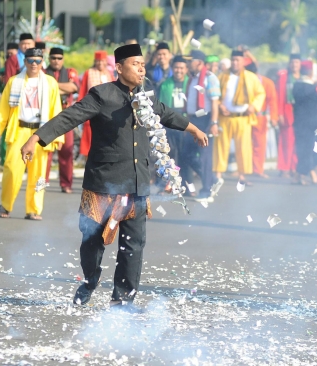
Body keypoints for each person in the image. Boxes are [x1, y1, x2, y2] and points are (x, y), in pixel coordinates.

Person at [20, 43, 208, 308]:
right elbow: (69, 117)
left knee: (133, 246)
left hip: (136, 182)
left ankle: (123, 301)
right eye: (135, 64)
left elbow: (165, 114)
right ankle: (90, 280)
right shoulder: (101, 95)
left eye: (143, 64)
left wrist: (193, 129)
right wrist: (37, 137)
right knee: (92, 242)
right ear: (119, 68)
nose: (141, 69)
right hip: (103, 183)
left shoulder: (147, 96)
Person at [0, 48, 63, 220]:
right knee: (12, 170)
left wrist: (57, 136)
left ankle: (34, 209)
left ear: (42, 62)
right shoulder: (14, 82)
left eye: (37, 61)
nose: (34, 64)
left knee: (39, 174)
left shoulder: (50, 83)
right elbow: (3, 108)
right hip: (19, 130)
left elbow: (56, 111)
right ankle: (5, 205)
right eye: (30, 61)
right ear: (25, 62)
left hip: (41, 132)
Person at [214, 50, 265, 187]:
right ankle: (218, 175)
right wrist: (219, 105)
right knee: (220, 146)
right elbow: (214, 94)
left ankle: (242, 176)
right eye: (233, 60)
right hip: (225, 117)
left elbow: (261, 93)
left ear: (243, 61)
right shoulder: (222, 76)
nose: (235, 63)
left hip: (243, 118)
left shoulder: (250, 77)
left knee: (243, 148)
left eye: (238, 60)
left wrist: (253, 106)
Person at [184, 50, 221, 202]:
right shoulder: (193, 79)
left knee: (205, 156)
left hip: (205, 120)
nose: (187, 64)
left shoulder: (210, 78)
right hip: (193, 120)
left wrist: (214, 123)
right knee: (187, 153)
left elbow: (214, 102)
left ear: (199, 62)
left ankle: (207, 191)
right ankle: (211, 179)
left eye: (190, 61)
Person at [44, 47, 80, 193]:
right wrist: (62, 88)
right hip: (47, 116)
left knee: (67, 151)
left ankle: (66, 184)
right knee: (45, 153)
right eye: (53, 58)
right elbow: (43, 88)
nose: (56, 61)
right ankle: (42, 183)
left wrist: (53, 85)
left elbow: (73, 87)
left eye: (59, 58)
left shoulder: (70, 72)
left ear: (63, 59)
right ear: (49, 59)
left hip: (66, 116)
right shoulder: (42, 72)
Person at [292, 63, 317, 185]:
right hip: (311, 122)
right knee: (308, 148)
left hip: (298, 121)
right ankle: (308, 173)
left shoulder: (295, 86)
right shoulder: (315, 88)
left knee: (301, 147)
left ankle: (299, 174)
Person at [78, 50, 114, 159]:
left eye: (102, 61)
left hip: (106, 112)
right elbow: (83, 91)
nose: (100, 64)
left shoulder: (109, 74)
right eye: (98, 61)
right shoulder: (89, 73)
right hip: (91, 111)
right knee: (89, 140)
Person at [245, 61, 278, 178]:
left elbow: (273, 101)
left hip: (260, 117)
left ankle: (258, 170)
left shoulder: (267, 83)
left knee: (260, 144)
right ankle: (244, 169)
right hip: (245, 117)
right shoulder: (241, 81)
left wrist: (274, 117)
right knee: (245, 144)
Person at [159, 55, 189, 166]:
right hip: (170, 122)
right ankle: (170, 180)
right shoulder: (165, 85)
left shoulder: (191, 83)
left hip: (186, 121)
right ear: (172, 68)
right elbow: (161, 105)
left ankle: (185, 179)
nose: (179, 71)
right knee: (170, 152)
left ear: (186, 69)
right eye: (176, 68)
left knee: (184, 153)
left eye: (182, 68)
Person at [276, 53, 302, 177]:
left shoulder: (303, 77)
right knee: (286, 141)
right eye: (292, 62)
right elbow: (280, 96)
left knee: (298, 141)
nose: (294, 65)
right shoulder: (284, 77)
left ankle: (294, 167)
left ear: (300, 64)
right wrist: (279, 114)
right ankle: (284, 168)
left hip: (300, 112)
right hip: (287, 111)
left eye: (296, 62)